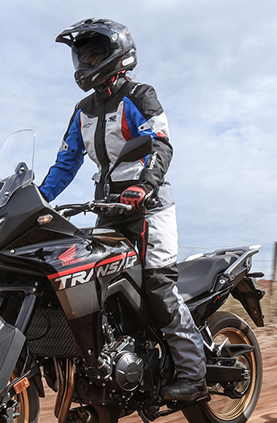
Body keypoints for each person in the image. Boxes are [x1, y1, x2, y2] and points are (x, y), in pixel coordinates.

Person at [41, 18, 208, 401]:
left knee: (158, 288)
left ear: (117, 54)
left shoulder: (139, 95)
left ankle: (193, 373)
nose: (85, 63)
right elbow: (67, 163)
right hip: (108, 211)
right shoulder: (83, 110)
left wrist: (143, 185)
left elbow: (160, 144)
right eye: (81, 56)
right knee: (89, 287)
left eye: (94, 53)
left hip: (149, 208)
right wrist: (37, 197)